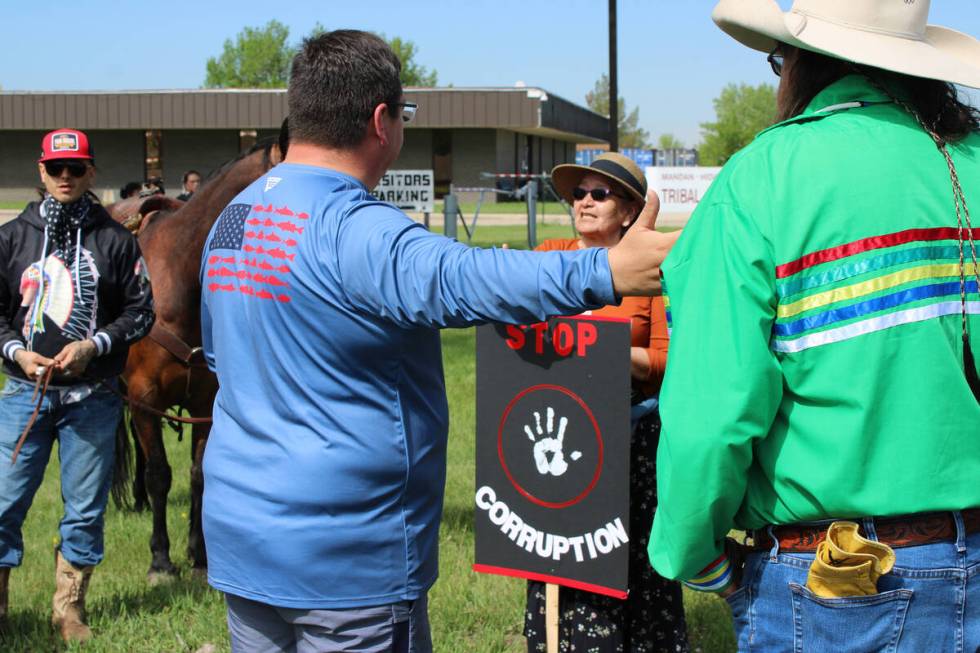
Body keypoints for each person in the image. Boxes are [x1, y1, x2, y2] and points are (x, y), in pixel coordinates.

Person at [200, 30, 677, 653]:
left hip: (244, 545)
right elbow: (465, 278)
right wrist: (605, 272)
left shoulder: (232, 219)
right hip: (348, 565)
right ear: (382, 122)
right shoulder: (356, 228)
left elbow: (220, 357)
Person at [650, 1, 980, 651]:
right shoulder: (965, 160)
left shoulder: (763, 179)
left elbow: (712, 413)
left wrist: (699, 557)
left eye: (779, 59)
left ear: (801, 64)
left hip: (840, 587)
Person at [523, 153, 688, 652]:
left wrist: (593, 341)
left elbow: (664, 362)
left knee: (631, 558)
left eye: (600, 194)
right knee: (559, 553)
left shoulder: (650, 273)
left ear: (630, 212)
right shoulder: (548, 253)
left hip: (631, 438)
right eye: (579, 193)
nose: (585, 202)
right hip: (556, 430)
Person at [0, 129, 154, 642]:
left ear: (92, 173)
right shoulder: (12, 237)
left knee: (85, 508)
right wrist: (18, 352)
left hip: (92, 398)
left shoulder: (115, 240)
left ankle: (69, 610)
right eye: (55, 169)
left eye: (76, 169)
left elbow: (142, 311)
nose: (65, 178)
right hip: (25, 394)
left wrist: (96, 346)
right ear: (41, 172)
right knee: (3, 500)